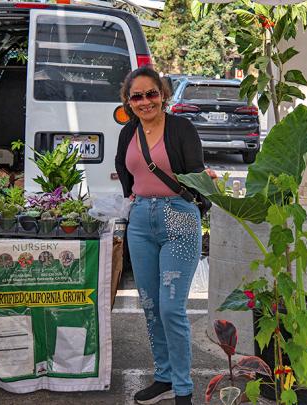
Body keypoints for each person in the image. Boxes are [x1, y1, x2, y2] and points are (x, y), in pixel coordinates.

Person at [115, 66, 215, 405]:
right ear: (128, 102)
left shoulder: (181, 128)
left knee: (172, 308)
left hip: (179, 217)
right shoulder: (128, 132)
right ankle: (164, 377)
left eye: (151, 94)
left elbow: (196, 174)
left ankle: (183, 388)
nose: (145, 102)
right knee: (151, 306)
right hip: (141, 219)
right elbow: (124, 170)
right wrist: (135, 199)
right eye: (137, 96)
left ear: (163, 94)